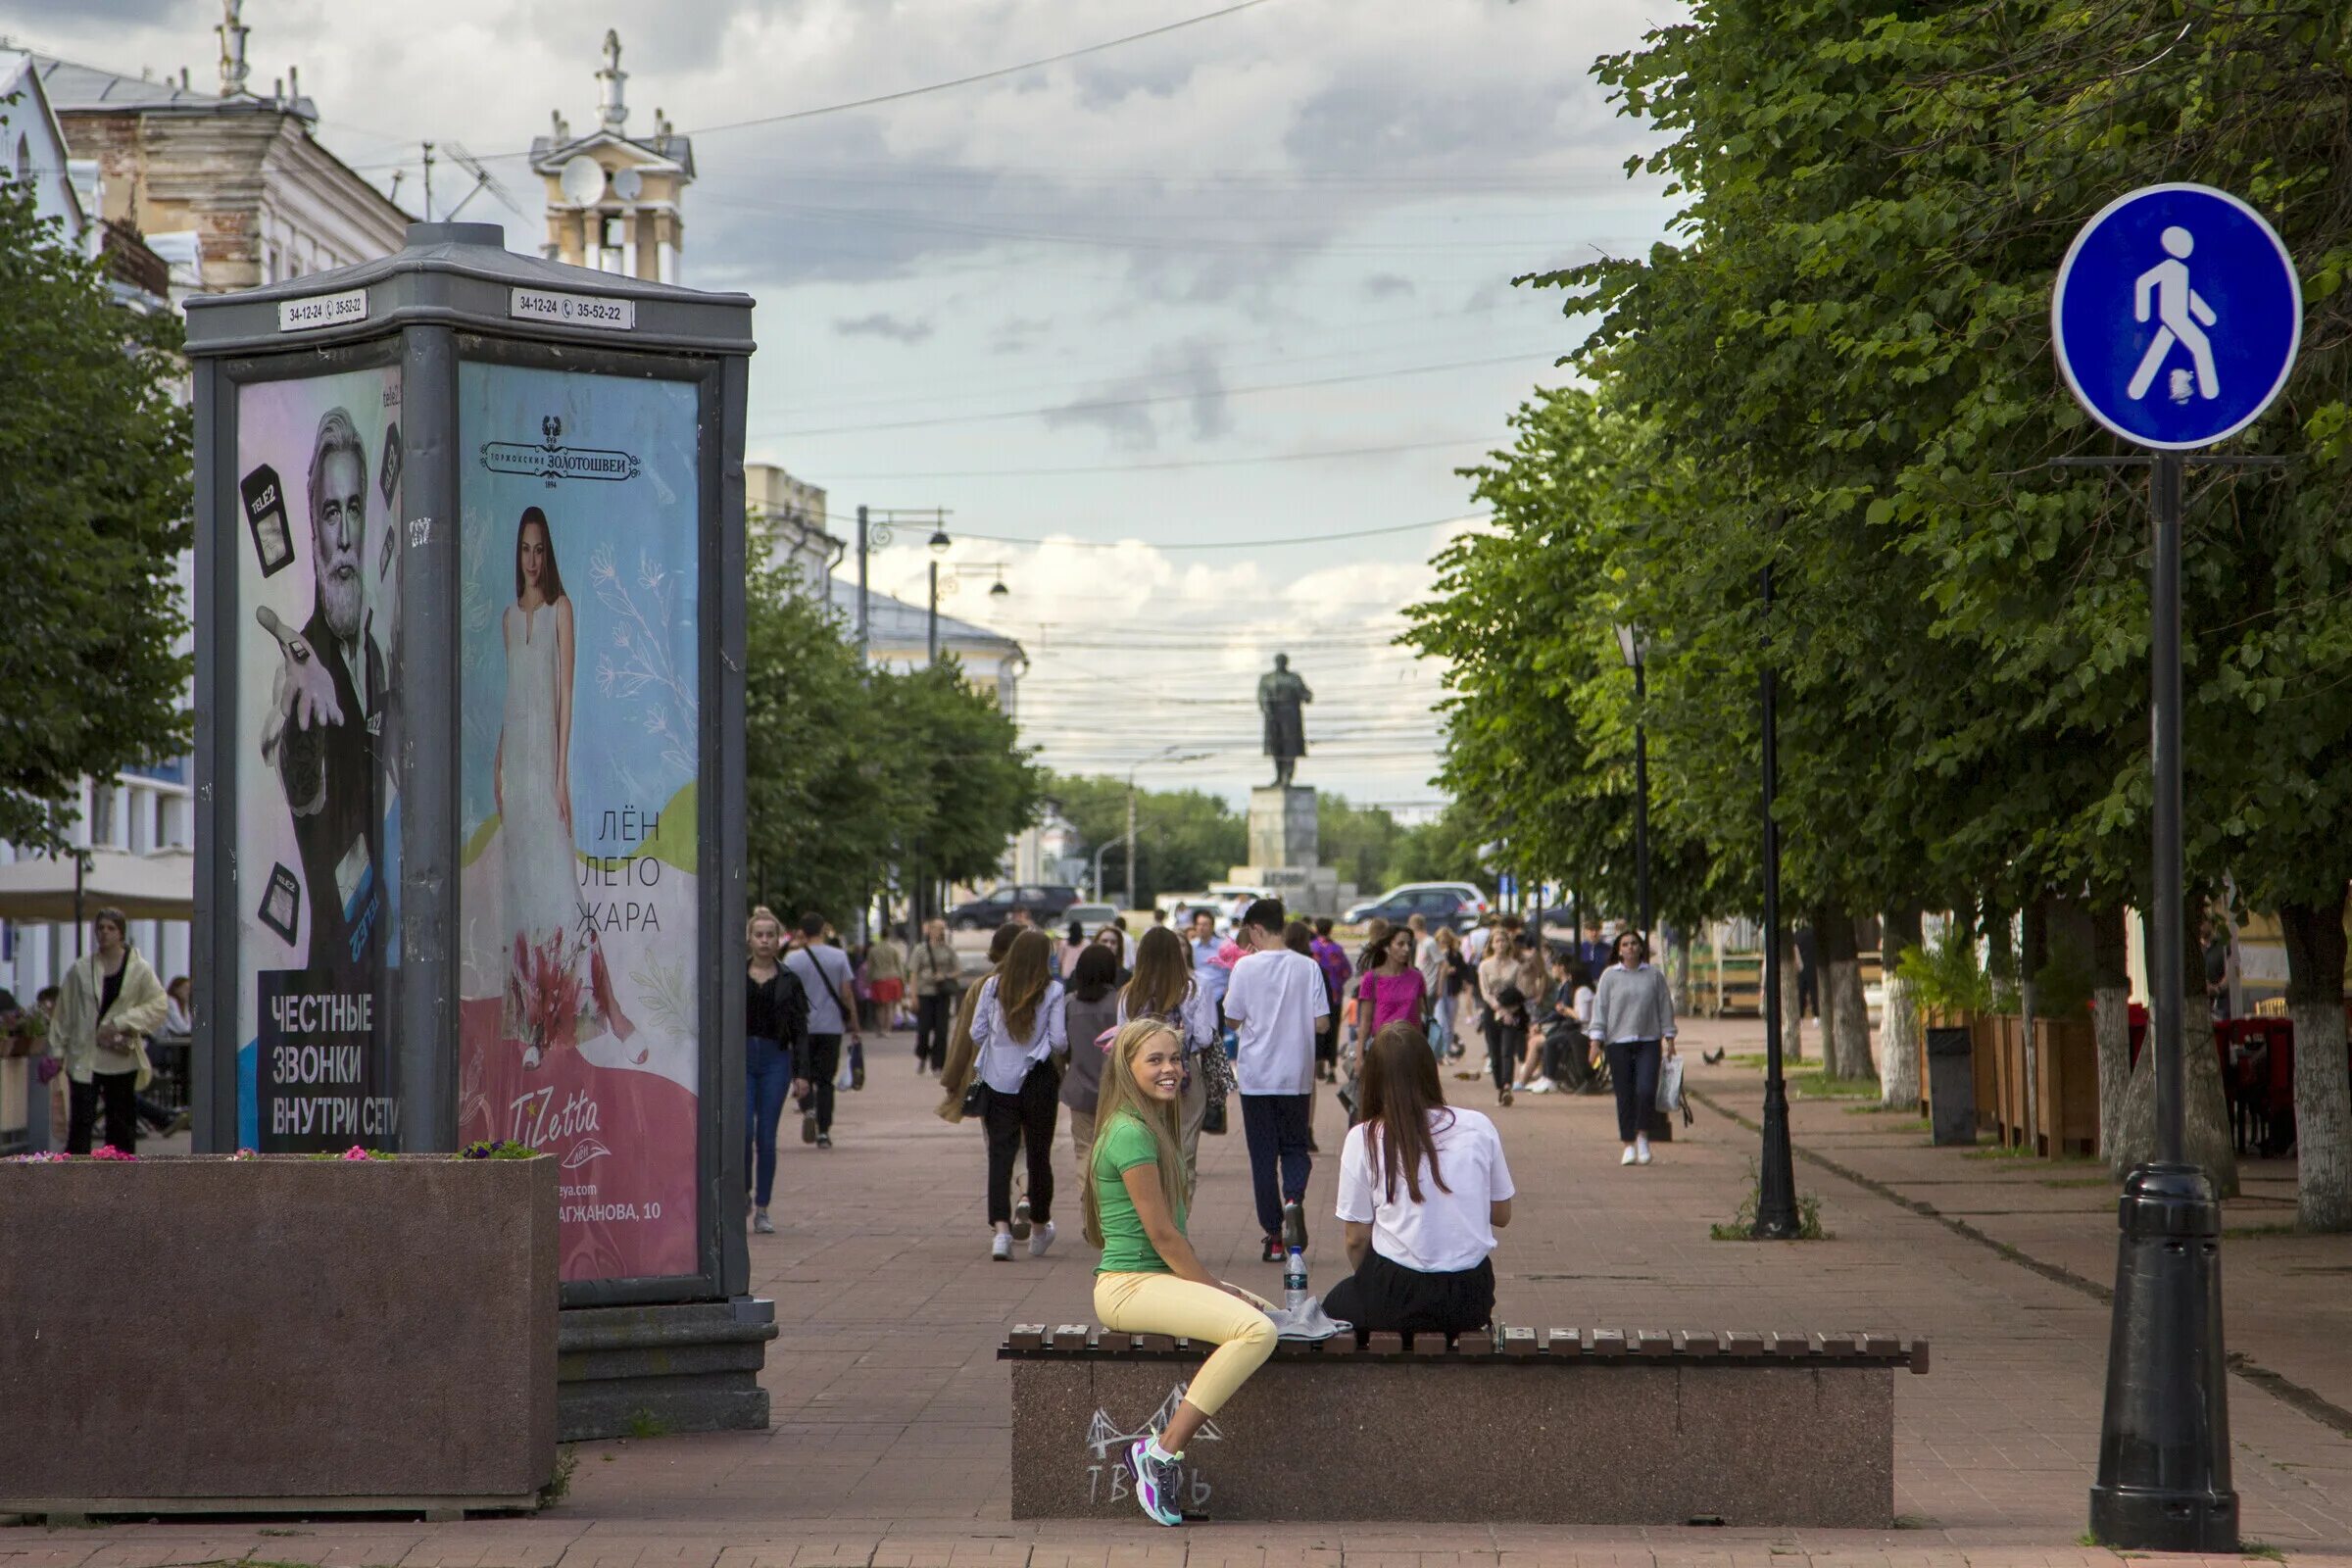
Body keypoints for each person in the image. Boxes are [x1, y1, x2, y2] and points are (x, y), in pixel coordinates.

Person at [1086, 1017, 1278, 1528]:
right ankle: (1160, 1454)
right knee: (1255, 1330)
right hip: (1129, 1287)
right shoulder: (1130, 1132)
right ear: (1126, 1069)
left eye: (1175, 1058)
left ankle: (1161, 1452)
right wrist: (1216, 1289)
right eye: (1155, 1060)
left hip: (1153, 1280)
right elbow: (1163, 1237)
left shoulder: (1148, 1123)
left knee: (1279, 1318)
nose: (1170, 1069)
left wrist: (1221, 1290)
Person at [1325, 1023, 1513, 1342]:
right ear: (1431, 1070)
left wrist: (1372, 1285)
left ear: (1375, 1080)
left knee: (1331, 1308)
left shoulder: (1365, 1137)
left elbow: (1356, 1239)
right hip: (1471, 1294)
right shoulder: (1478, 1125)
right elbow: (1502, 1214)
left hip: (1397, 1286)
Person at [1222, 897, 1330, 1262]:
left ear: (1255, 928)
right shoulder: (1308, 967)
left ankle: (1274, 1235)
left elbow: (1232, 1020)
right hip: (1296, 1076)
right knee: (1296, 1147)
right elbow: (1321, 1023)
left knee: (1263, 1157)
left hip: (1256, 1076)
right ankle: (1292, 1199)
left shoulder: (1245, 968)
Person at [968, 928, 1065, 1260]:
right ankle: (1039, 1229)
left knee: (1000, 1156)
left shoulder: (993, 987)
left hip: (997, 1081)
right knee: (1039, 1155)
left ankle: (1001, 1233)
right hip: (1038, 1079)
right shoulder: (1052, 990)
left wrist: (1000, 1045)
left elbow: (976, 1031)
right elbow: (1060, 1041)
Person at [54, 907, 170, 1154]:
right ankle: (77, 1176)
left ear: (121, 933)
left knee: (121, 1121)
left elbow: (158, 1004)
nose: (104, 933)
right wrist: (56, 1049)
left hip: (120, 1057)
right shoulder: (81, 969)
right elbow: (65, 1011)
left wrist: (123, 1021)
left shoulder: (139, 969)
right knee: (81, 1121)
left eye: (111, 928)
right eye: (100, 928)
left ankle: (120, 1177)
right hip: (85, 1053)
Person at [1118, 925, 1222, 1194]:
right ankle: (1178, 1221)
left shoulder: (1129, 994)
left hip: (1140, 1078)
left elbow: (1121, 1039)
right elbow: (1205, 1038)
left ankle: (1153, 1220)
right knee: (1184, 1152)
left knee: (1146, 1148)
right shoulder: (1193, 989)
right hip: (1184, 1076)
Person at [744, 907, 810, 1235]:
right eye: (759, 934)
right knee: (742, 1131)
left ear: (778, 939)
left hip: (775, 1060)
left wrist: (802, 1074)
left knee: (766, 1136)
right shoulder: (735, 976)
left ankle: (763, 1207)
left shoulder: (789, 981)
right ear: (749, 938)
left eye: (770, 935)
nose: (765, 940)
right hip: (741, 1060)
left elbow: (800, 1029)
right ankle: (742, 1191)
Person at [1587, 929, 1678, 1166]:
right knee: (1625, 1094)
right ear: (1618, 950)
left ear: (1641, 948)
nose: (1630, 948)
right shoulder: (1609, 976)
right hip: (1618, 1041)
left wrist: (1670, 1038)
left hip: (1648, 1040)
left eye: (1634, 944)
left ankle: (1643, 1136)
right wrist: (1595, 1042)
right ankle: (1628, 1143)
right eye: (1625, 944)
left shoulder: (1653, 976)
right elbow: (1601, 1009)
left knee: (1646, 1090)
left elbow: (1664, 1006)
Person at [785, 912, 861, 1149]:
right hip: (831, 1026)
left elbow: (786, 994)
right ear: (823, 929)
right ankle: (824, 1132)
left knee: (803, 1075)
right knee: (826, 1080)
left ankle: (808, 1109)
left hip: (802, 1027)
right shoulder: (838, 957)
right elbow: (846, 993)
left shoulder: (792, 959)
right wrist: (855, 1026)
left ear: (801, 931)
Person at [1062, 944, 1125, 1160]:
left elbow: (1062, 1045)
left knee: (1084, 1148)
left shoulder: (1070, 1004)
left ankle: (1087, 1193)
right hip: (1116, 1089)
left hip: (1079, 1087)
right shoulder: (1121, 1003)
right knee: (1114, 1149)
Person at [909, 917, 961, 1073]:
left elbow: (958, 970)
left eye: (942, 928)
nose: (941, 931)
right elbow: (913, 973)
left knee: (941, 1030)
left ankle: (938, 1063)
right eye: (938, 928)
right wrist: (913, 996)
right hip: (924, 993)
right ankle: (922, 1055)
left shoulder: (948, 950)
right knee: (923, 1029)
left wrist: (945, 976)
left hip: (941, 994)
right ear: (930, 930)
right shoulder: (920, 949)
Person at [1428, 926, 1465, 1060]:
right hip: (1438, 990)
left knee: (1450, 1022)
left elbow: (1462, 971)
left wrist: (1454, 972)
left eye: (1446, 941)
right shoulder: (1433, 953)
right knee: (1440, 1020)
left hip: (1451, 990)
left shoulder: (1455, 955)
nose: (1443, 944)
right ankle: (1439, 1050)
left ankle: (1447, 1050)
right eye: (1441, 941)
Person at [1188, 908, 1229, 1023]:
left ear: (1212, 926)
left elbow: (1230, 969)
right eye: (1199, 924)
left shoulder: (1223, 946)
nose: (1201, 928)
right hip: (1197, 995)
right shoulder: (1191, 947)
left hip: (1218, 995)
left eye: (1205, 924)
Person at [866, 927, 908, 1030]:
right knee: (890, 1006)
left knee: (879, 1006)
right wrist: (903, 981)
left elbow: (870, 967)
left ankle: (881, 1028)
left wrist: (868, 981)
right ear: (889, 935)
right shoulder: (894, 949)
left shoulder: (873, 950)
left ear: (880, 935)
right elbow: (899, 966)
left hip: (878, 979)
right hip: (893, 979)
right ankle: (887, 1030)